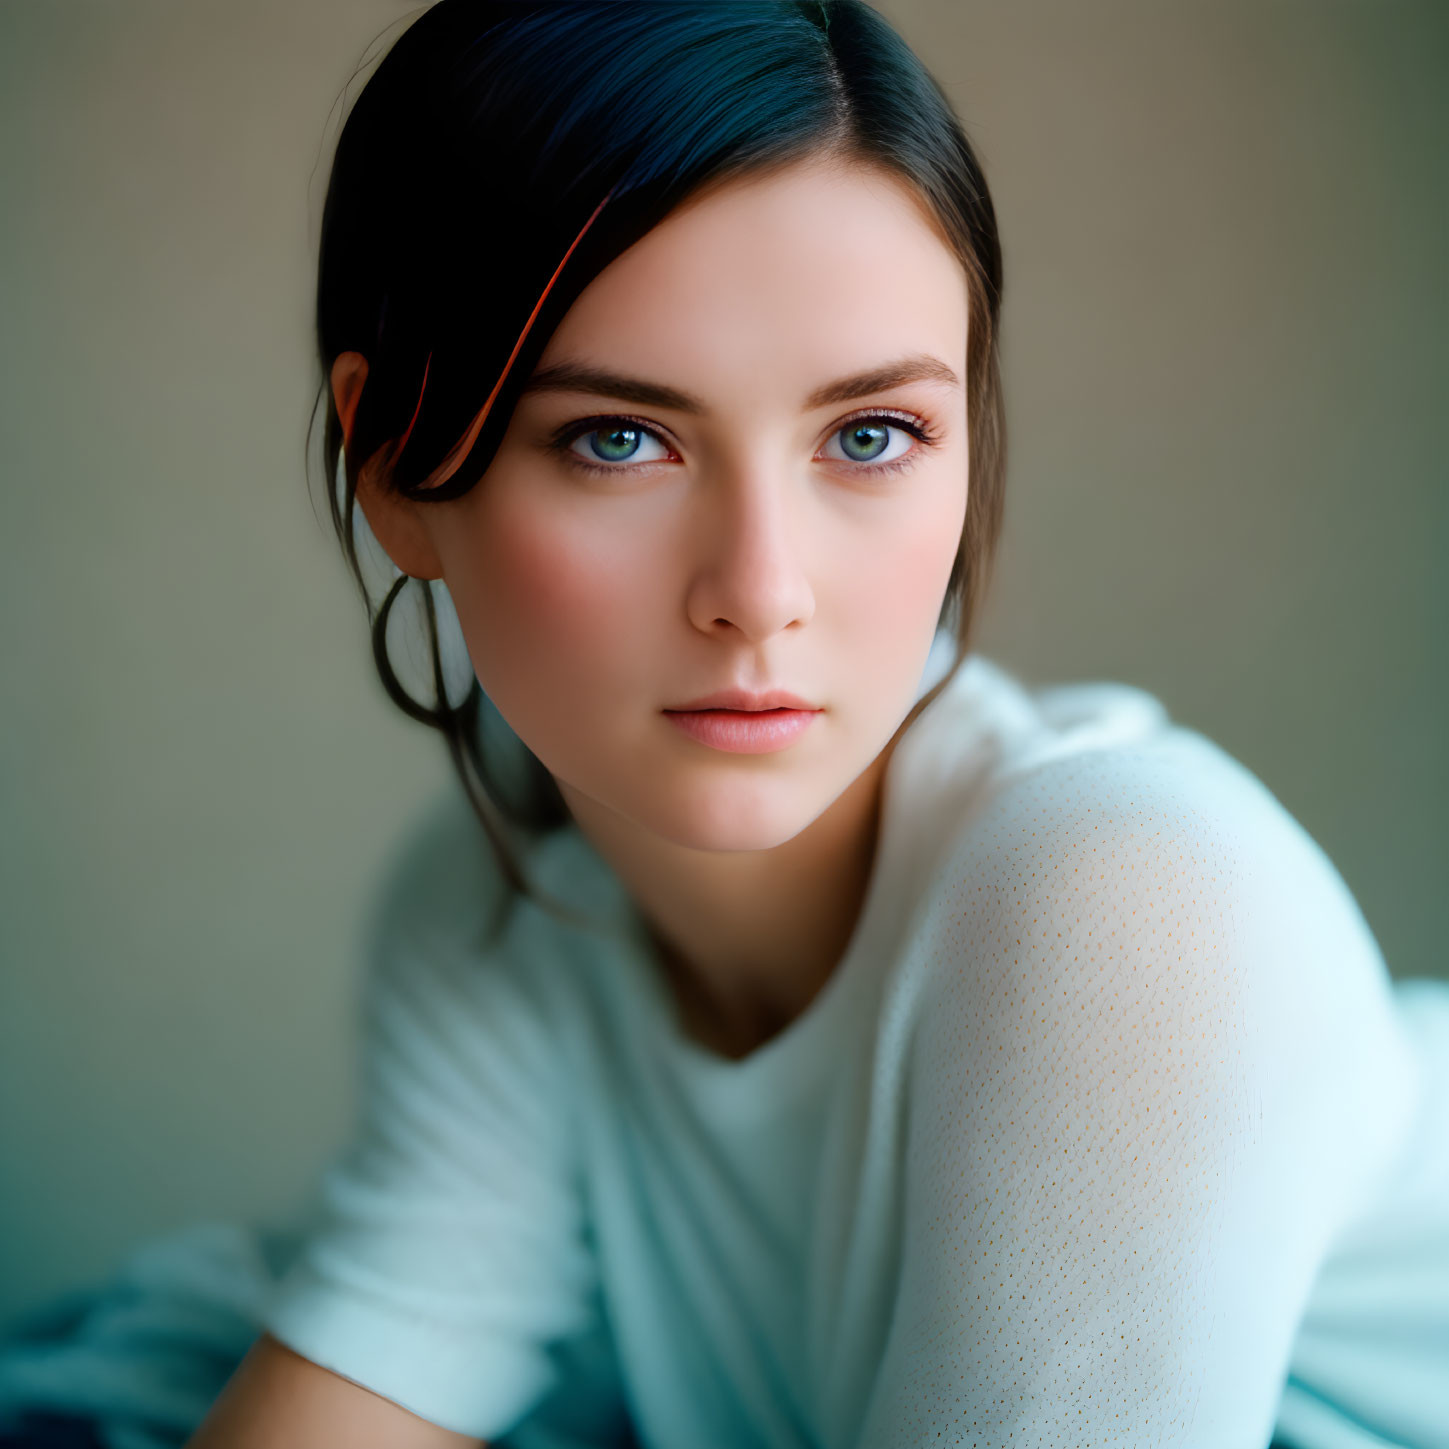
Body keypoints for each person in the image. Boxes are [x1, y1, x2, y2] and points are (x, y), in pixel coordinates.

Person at [183, 2, 1449, 1446]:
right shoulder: (494, 912)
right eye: (619, 438)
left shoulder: (1128, 898)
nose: (760, 594)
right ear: (396, 461)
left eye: (868, 436)